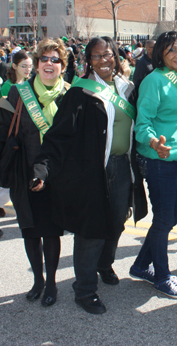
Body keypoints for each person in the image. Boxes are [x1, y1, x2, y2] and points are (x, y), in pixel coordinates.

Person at [32, 36, 147, 314]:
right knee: (91, 230)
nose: (104, 60)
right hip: (92, 171)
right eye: (97, 56)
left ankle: (103, 264)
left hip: (122, 167)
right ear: (88, 61)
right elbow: (58, 137)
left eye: (108, 55)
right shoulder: (79, 93)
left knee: (118, 221)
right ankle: (84, 289)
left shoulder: (128, 89)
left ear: (116, 56)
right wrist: (42, 169)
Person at [0, 38, 70, 307]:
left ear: (62, 66)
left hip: (56, 174)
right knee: (30, 230)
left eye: (55, 59)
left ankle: (51, 282)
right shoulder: (19, 93)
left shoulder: (68, 93)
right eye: (44, 59)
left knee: (51, 231)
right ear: (37, 64)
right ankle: (38, 280)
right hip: (23, 172)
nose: (49, 64)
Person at [129, 31, 177, 299]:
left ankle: (141, 265)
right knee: (165, 218)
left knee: (170, 217)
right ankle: (162, 277)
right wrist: (155, 142)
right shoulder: (154, 81)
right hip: (160, 160)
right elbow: (142, 124)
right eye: (171, 51)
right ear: (160, 55)